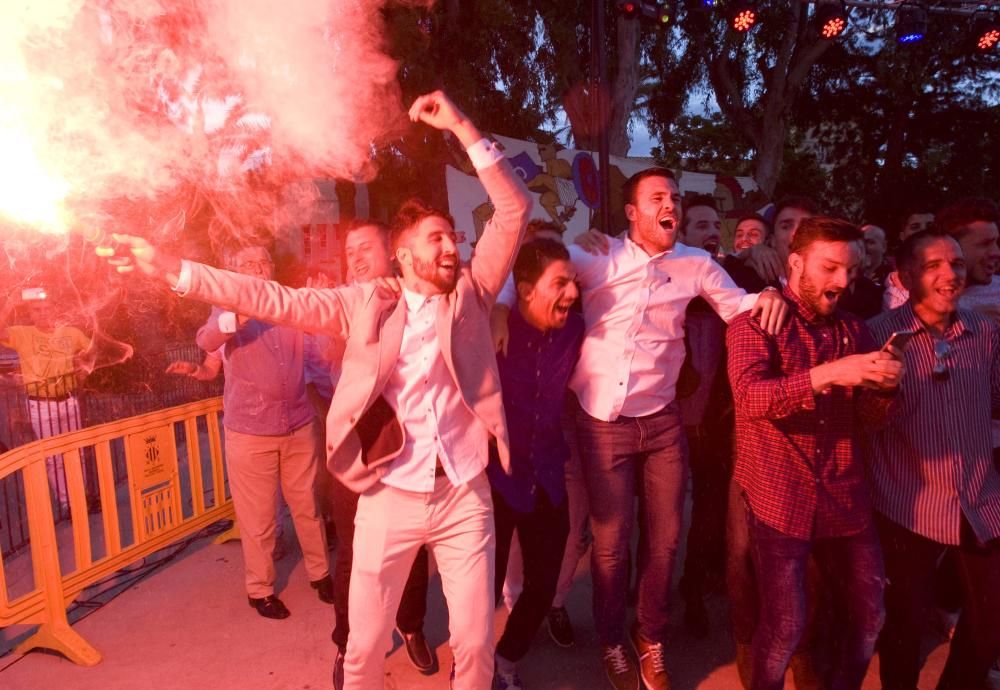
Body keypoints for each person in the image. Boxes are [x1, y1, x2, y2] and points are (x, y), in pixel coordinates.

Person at [108, 90, 531, 690]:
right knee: (360, 649)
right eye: (436, 239)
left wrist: (462, 126)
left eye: (452, 240)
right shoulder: (363, 304)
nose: (450, 248)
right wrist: (175, 269)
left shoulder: (470, 295)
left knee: (476, 646)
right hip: (389, 495)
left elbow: (513, 211)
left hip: (465, 494)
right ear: (405, 255)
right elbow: (271, 298)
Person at [497, 167, 788, 690]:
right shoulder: (597, 255)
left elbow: (735, 306)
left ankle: (648, 635)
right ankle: (611, 640)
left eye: (673, 196)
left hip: (661, 423)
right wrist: (500, 310)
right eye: (657, 197)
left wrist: (764, 297)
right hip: (602, 423)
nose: (669, 203)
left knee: (666, 540)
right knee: (610, 544)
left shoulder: (695, 263)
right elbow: (531, 270)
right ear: (632, 213)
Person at [727, 217, 903, 690]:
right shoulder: (754, 323)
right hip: (781, 499)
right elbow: (751, 400)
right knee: (785, 626)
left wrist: (884, 388)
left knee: (870, 616)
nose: (842, 282)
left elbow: (868, 422)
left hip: (845, 497)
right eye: (830, 268)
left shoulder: (854, 329)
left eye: (850, 270)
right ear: (797, 262)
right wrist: (830, 374)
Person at [866, 229, 1000, 690]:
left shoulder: (984, 331)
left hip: (980, 499)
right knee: (903, 627)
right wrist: (883, 388)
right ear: (906, 276)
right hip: (908, 502)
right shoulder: (878, 335)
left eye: (957, 264)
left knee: (989, 627)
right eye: (933, 266)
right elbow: (864, 423)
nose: (950, 274)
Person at [193, 243, 332, 620]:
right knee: (259, 519)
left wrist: (319, 302)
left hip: (298, 424)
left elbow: (320, 347)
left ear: (271, 267)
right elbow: (206, 340)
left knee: (308, 507)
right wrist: (234, 319)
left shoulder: (288, 303)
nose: (257, 268)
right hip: (251, 431)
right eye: (247, 263)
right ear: (235, 270)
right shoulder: (227, 305)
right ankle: (260, 589)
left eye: (262, 261)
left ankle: (321, 574)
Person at [327, 220, 438, 688]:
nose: (354, 256)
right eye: (348, 250)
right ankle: (347, 643)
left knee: (412, 552)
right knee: (353, 556)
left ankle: (410, 626)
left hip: (407, 451)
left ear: (391, 253)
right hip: (358, 451)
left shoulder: (414, 298)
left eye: (364, 247)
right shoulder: (340, 303)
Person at [490, 238, 584, 690]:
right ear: (526, 289)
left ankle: (507, 658)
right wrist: (497, 309)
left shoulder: (575, 328)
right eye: (559, 283)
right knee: (481, 590)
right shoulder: (494, 329)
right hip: (492, 477)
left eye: (573, 282)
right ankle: (468, 665)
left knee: (544, 584)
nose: (571, 292)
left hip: (547, 474)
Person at [675, 195, 764, 639]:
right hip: (669, 419)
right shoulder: (669, 277)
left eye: (715, 224)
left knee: (708, 513)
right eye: (700, 225)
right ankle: (644, 589)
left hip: (716, 419)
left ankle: (692, 591)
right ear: (682, 236)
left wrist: (752, 255)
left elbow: (753, 288)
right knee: (659, 515)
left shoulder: (735, 275)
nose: (711, 231)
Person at [0, 293, 93, 510]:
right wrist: (8, 305)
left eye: (46, 308)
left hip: (69, 402)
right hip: (41, 405)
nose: (42, 314)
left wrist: (84, 367)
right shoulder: (21, 333)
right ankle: (67, 502)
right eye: (36, 310)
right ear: (30, 314)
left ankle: (83, 497)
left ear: (55, 310)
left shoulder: (71, 333)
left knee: (77, 452)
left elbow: (94, 350)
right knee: (54, 458)